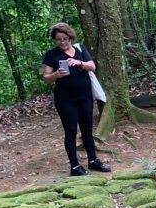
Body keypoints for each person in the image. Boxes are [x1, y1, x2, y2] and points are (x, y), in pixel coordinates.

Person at [42, 23, 111, 176]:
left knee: (87, 130)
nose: (62, 42)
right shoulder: (51, 55)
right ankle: (75, 167)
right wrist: (55, 75)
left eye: (65, 39)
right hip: (65, 100)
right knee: (71, 131)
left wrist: (78, 63)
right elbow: (46, 78)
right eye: (58, 40)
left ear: (70, 37)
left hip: (85, 97)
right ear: (54, 40)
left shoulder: (80, 49)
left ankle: (93, 160)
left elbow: (92, 66)